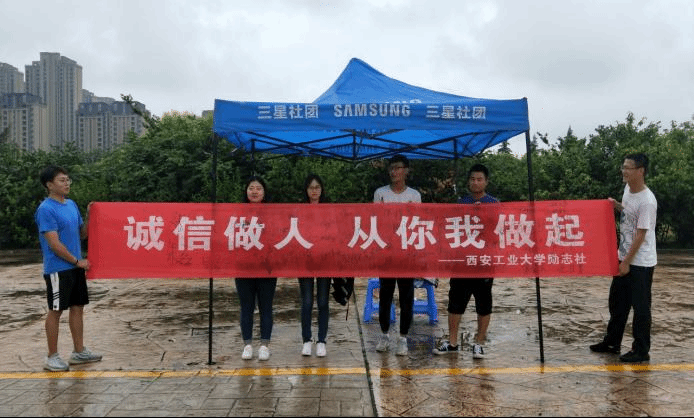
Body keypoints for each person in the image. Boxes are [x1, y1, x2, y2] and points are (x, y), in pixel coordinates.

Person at [590, 153, 657, 363]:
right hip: (624, 257)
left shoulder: (647, 201)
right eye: (623, 167)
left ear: (641, 171)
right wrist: (616, 205)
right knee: (618, 303)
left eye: (628, 168)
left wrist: (627, 262)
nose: (624, 171)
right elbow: (628, 213)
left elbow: (641, 234)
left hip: (640, 262)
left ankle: (641, 350)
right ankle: (612, 342)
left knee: (641, 308)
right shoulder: (628, 189)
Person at [34, 165, 103, 372]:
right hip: (58, 269)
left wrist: (90, 215)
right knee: (56, 310)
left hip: (75, 267)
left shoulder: (71, 204)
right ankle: (52, 357)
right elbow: (54, 244)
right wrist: (76, 261)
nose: (67, 183)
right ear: (49, 185)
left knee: (77, 307)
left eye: (68, 180)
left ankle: (79, 352)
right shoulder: (46, 209)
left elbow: (82, 234)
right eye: (62, 180)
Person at [434, 164, 499, 359]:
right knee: (455, 303)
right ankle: (453, 343)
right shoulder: (461, 203)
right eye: (472, 179)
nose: (475, 182)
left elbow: (498, 231)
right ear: (468, 182)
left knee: (484, 304)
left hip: (484, 262)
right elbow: (451, 229)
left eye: (479, 179)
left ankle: (479, 343)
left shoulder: (494, 204)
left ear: (486, 182)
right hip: (462, 261)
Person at [373, 154, 421, 356]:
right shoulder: (380, 193)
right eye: (391, 168)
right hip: (386, 252)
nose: (394, 171)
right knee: (385, 295)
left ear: (406, 171)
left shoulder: (414, 195)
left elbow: (417, 223)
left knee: (406, 295)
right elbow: (375, 221)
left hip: (406, 253)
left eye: (398, 167)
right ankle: (384, 335)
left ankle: (403, 338)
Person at [235, 176, 277, 361]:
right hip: (243, 268)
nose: (254, 191)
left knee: (266, 306)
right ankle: (247, 345)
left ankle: (264, 346)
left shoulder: (272, 214)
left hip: (267, 268)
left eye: (258, 188)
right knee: (246, 307)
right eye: (251, 188)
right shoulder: (237, 213)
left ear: (264, 192)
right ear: (246, 191)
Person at [298, 174, 331, 357]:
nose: (314, 191)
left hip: (325, 260)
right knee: (307, 301)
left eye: (317, 187)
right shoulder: (300, 209)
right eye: (311, 187)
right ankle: (306, 339)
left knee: (323, 301)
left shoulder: (329, 209)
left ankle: (322, 340)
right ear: (306, 190)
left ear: (321, 189)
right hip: (305, 261)